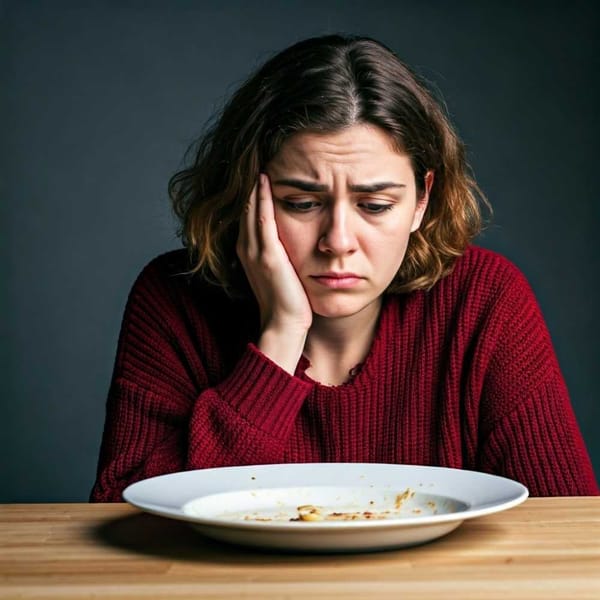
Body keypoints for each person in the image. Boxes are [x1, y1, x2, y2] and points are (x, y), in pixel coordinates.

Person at [90, 34, 598, 502]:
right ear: (249, 196)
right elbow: (123, 517)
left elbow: (570, 530)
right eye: (300, 203)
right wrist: (280, 337)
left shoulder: (485, 300)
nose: (338, 243)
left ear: (422, 199)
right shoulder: (173, 297)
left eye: (374, 205)